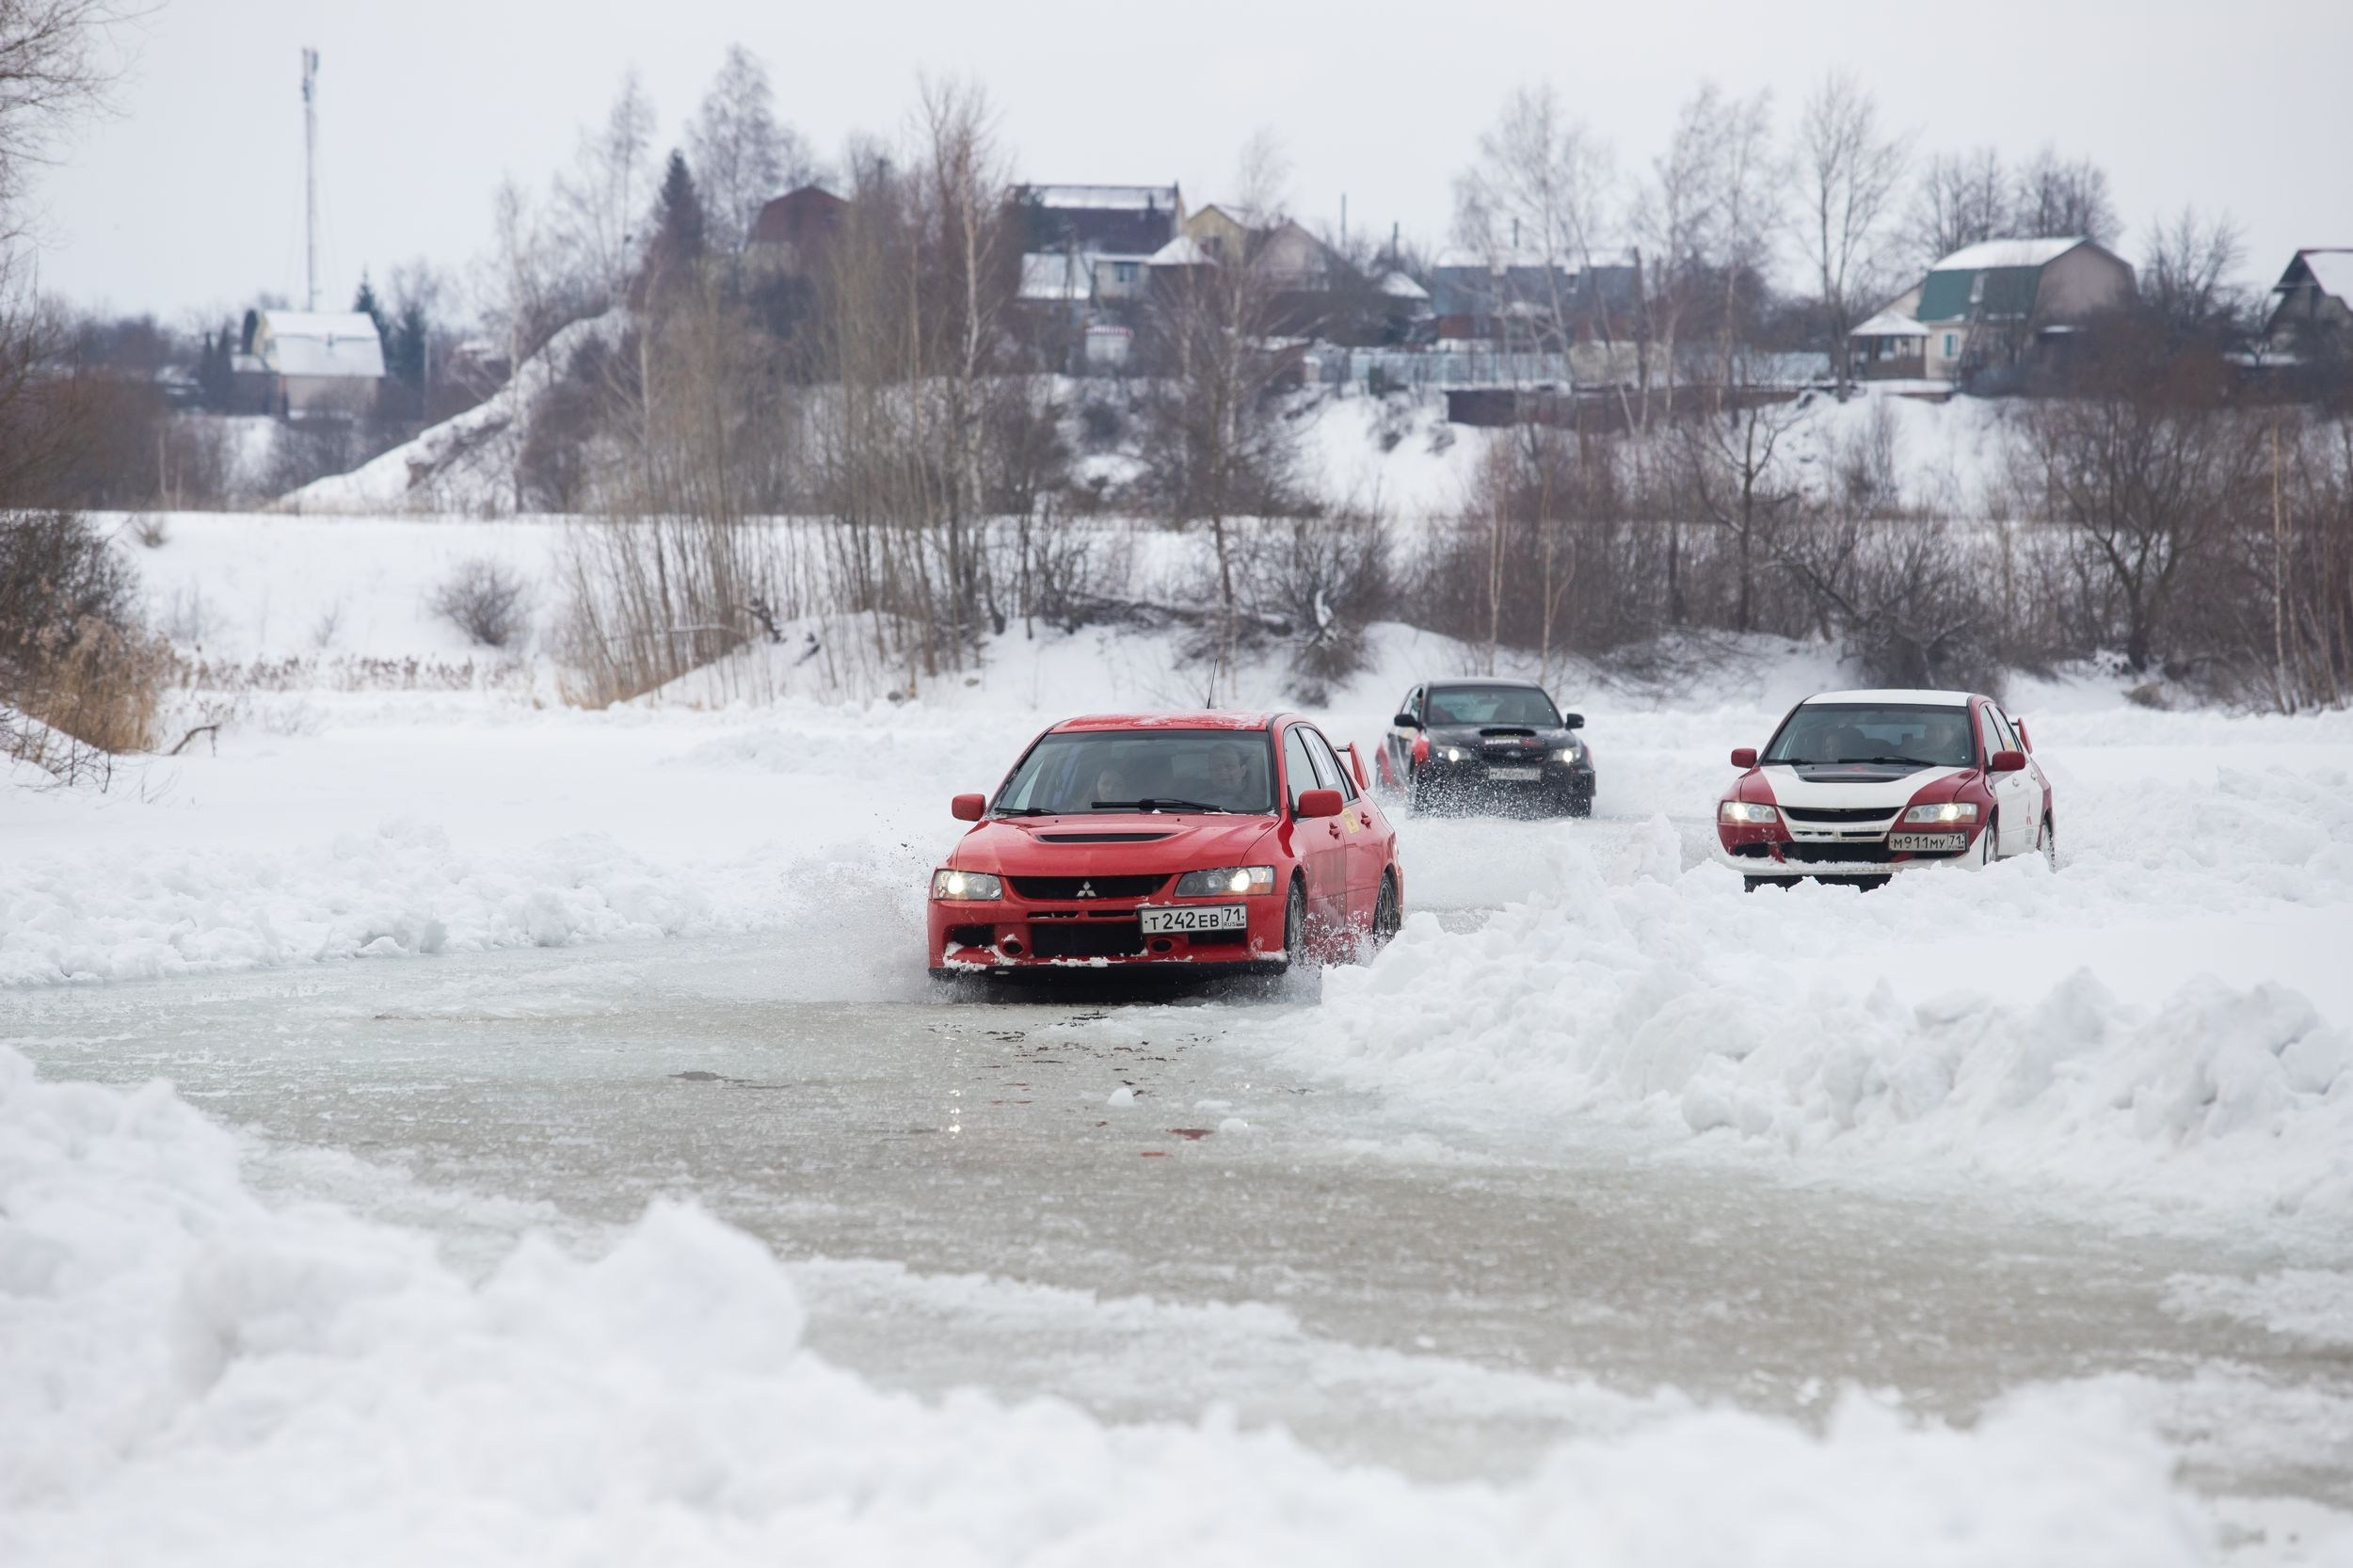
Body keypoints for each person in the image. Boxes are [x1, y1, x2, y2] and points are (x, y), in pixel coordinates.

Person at [1203, 744, 1253, 809]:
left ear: (1243, 770)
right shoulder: (1200, 802)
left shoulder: (1263, 803)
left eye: (1230, 766)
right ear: (1210, 773)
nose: (1223, 772)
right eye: (1216, 767)